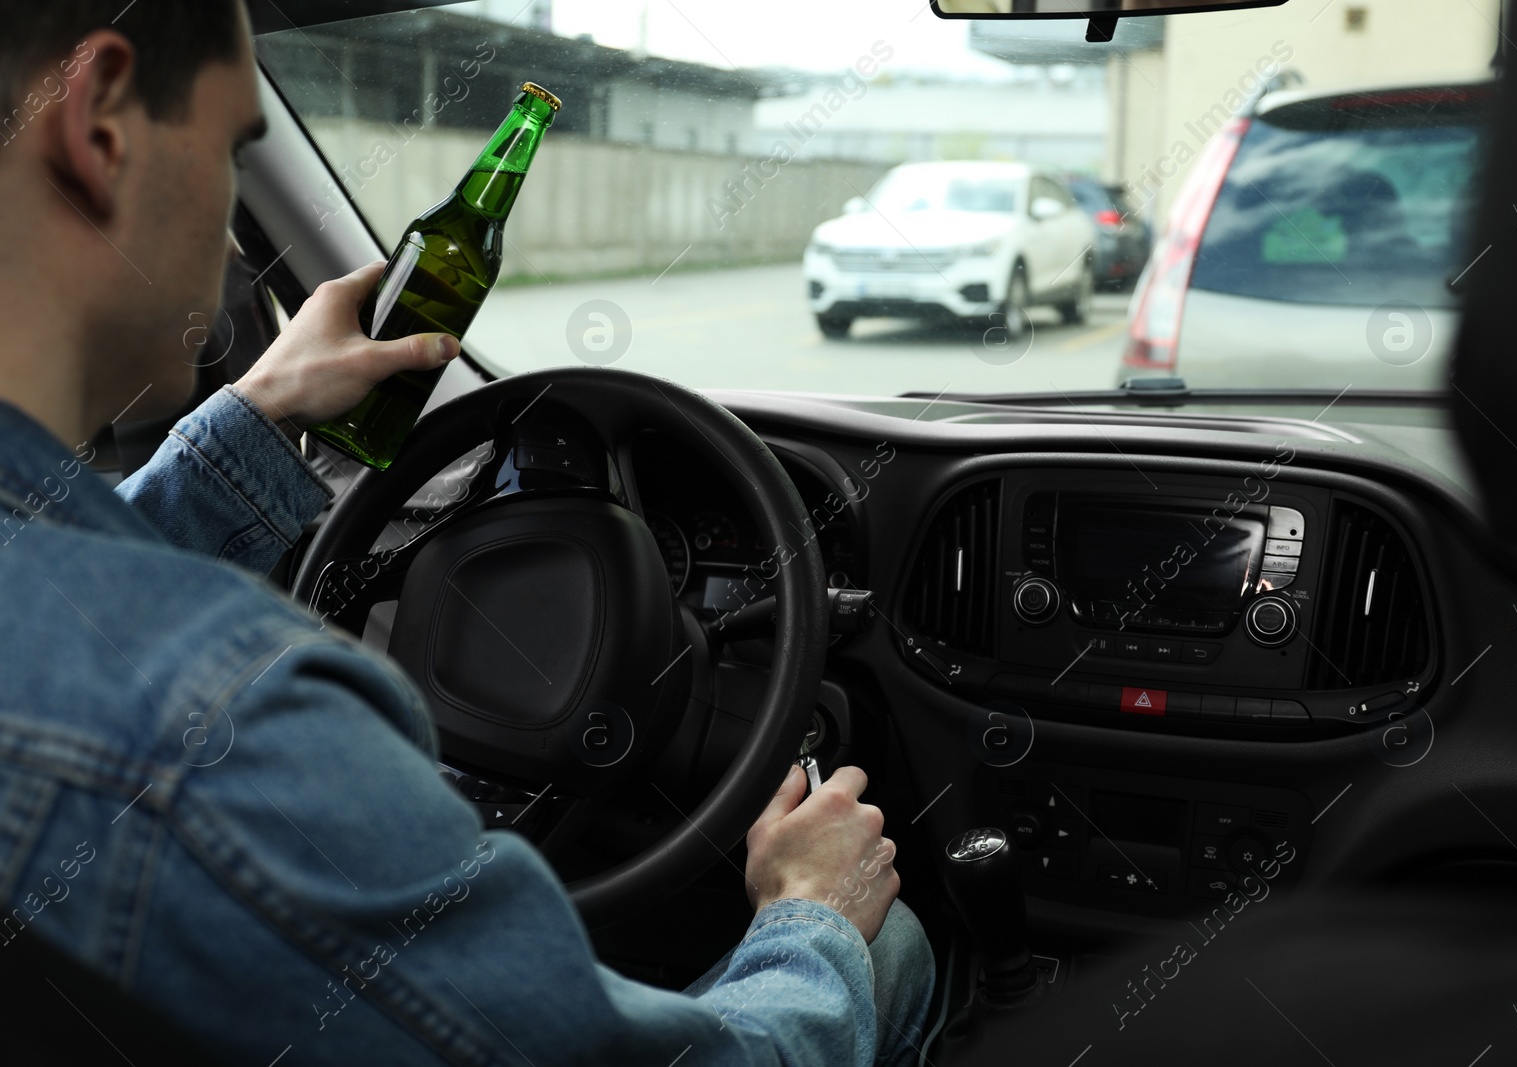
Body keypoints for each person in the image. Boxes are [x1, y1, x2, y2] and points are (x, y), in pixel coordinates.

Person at [0, 2, 935, 1063]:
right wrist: (805, 912)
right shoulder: (221, 728)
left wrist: (260, 414)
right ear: (101, 125)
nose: (228, 237)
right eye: (229, 148)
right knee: (886, 942)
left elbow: (59, 598)